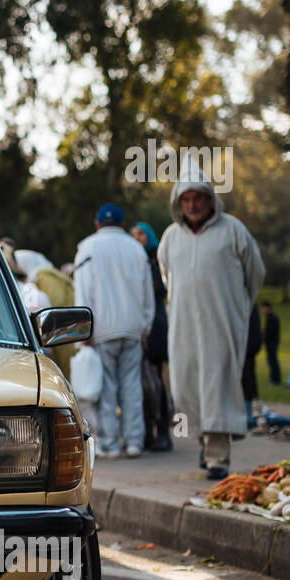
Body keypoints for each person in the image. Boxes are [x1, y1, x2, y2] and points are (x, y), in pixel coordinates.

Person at [157, 163, 265, 479]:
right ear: (179, 203)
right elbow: (167, 276)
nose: (192, 205)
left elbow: (254, 274)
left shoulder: (233, 231)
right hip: (184, 325)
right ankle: (205, 445)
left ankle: (219, 457)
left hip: (221, 324)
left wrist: (238, 307)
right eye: (186, 200)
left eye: (198, 199)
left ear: (210, 199)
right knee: (186, 385)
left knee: (217, 386)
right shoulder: (170, 237)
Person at [74, 203, 155, 459]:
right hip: (132, 327)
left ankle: (109, 444)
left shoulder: (87, 247)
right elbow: (147, 295)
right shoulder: (136, 249)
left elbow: (83, 292)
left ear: (97, 223)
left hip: (102, 328)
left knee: (106, 389)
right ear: (122, 223)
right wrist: (145, 328)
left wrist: (83, 330)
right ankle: (134, 442)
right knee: (132, 386)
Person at [130, 221, 173, 451]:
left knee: (156, 381)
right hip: (138, 324)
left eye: (141, 234)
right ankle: (146, 430)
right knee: (139, 382)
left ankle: (163, 431)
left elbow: (164, 287)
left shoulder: (156, 260)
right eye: (133, 234)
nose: (137, 237)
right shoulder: (133, 260)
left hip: (155, 325)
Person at [261, 301, 281, 384]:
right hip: (271, 342)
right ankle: (274, 378)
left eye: (263, 308)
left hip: (272, 342)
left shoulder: (272, 318)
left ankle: (275, 379)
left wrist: (264, 336)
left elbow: (270, 332)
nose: (262, 310)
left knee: (273, 361)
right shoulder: (270, 317)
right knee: (271, 361)